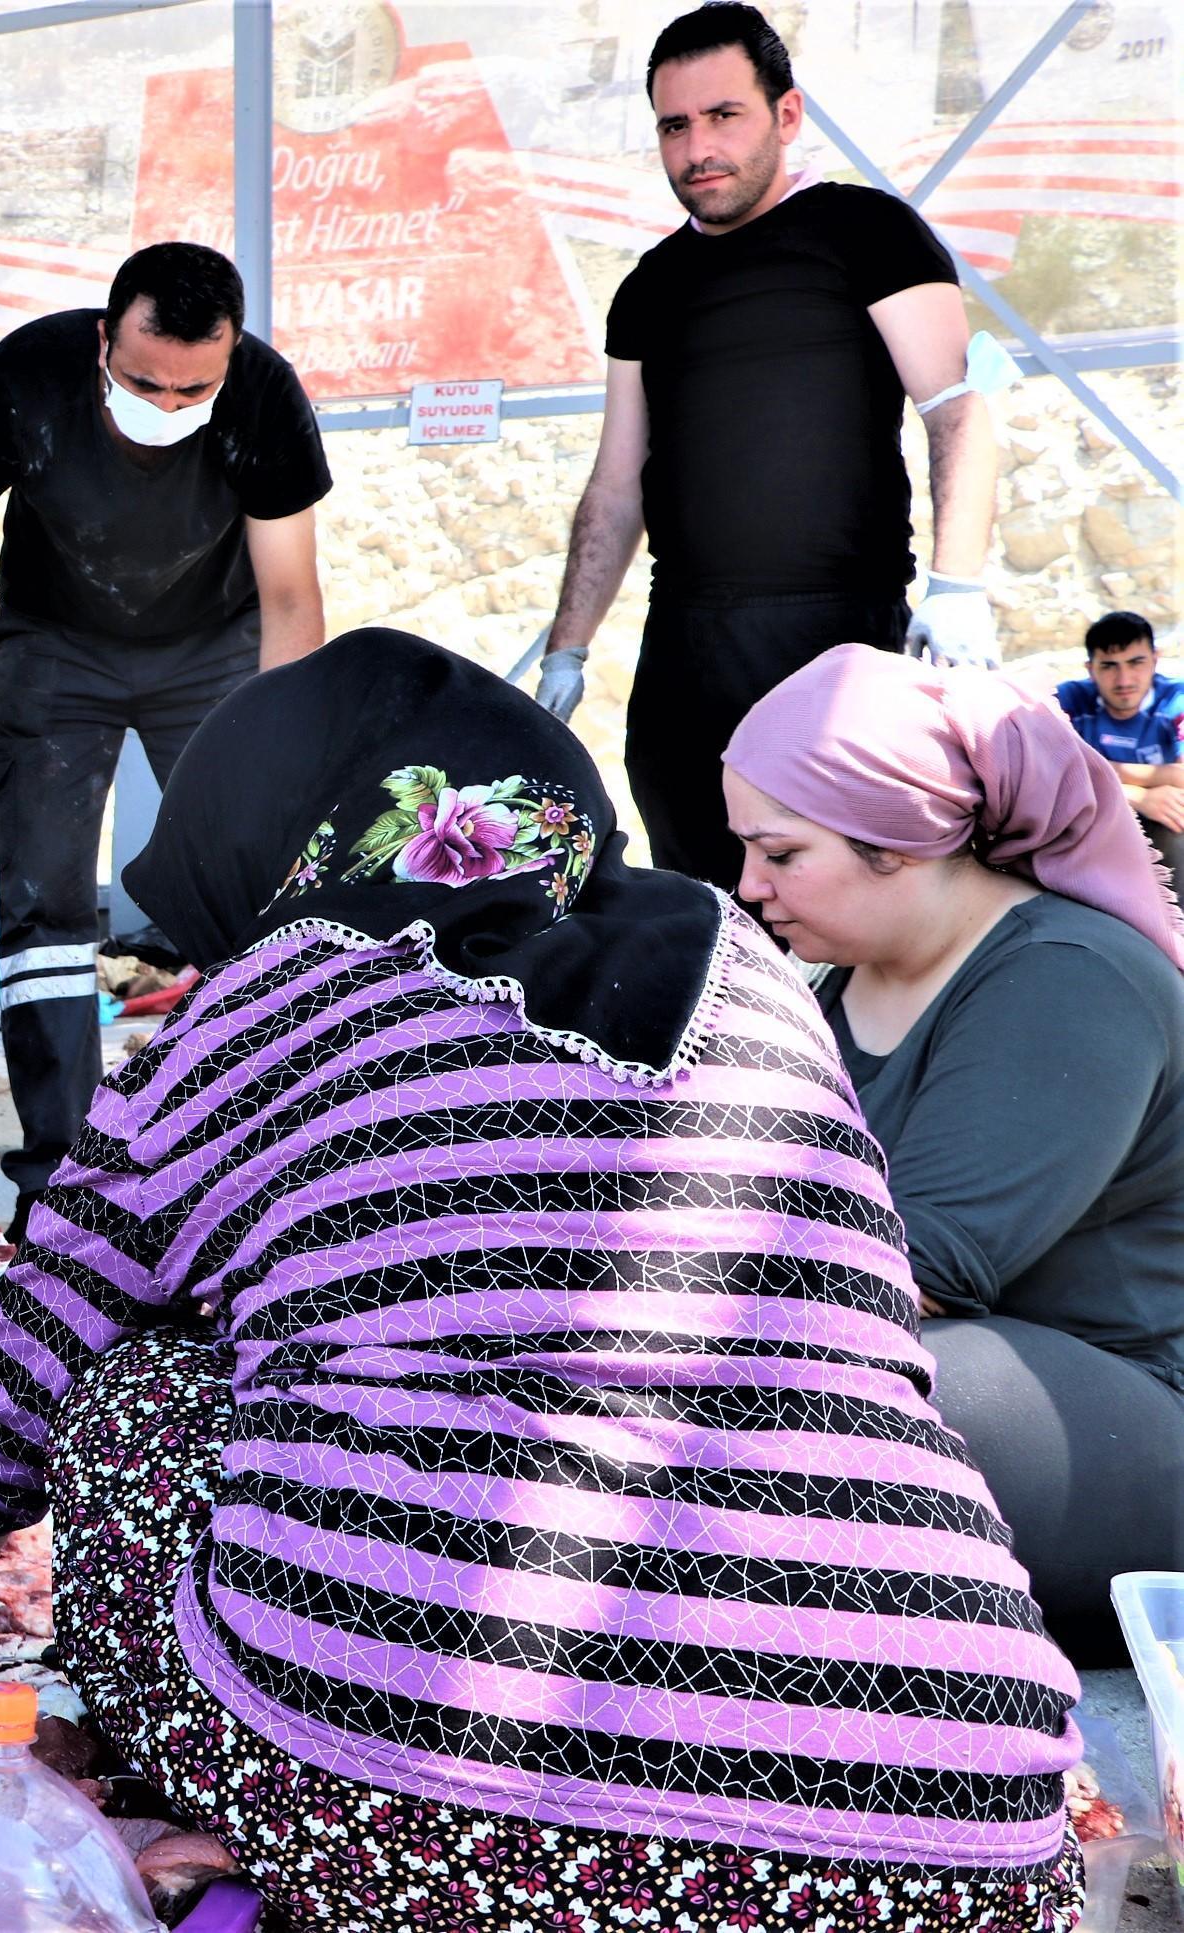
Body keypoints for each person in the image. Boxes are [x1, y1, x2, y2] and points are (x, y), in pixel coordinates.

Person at [0, 626, 1082, 1933]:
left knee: (134, 1393)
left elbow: (15, 1394)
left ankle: (367, 1845)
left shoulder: (255, 1011)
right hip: (970, 1821)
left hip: (456, 1810)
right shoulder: (759, 973)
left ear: (282, 838)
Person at [0, 240, 330, 1231]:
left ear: (229, 356)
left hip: (209, 652)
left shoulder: (264, 398)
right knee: (43, 913)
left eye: (191, 387)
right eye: (143, 380)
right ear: (103, 339)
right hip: (55, 653)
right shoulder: (26, 380)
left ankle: (252, 1170)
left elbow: (289, 596)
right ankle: (60, 1191)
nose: (165, 404)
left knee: (255, 899)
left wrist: (280, 765)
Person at [726, 642, 1184, 1661]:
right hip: (947, 1381)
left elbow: (913, 1268)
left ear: (897, 838)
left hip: (1124, 1427)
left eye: (780, 853)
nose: (746, 886)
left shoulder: (1067, 977)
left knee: (851, 1387)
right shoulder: (841, 989)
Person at [535, 3, 997, 891]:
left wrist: (960, 582)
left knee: (850, 910)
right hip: (684, 653)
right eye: (675, 126)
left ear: (785, 115)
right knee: (712, 908)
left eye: (723, 116)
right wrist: (569, 647)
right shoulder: (649, 286)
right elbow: (616, 486)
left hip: (836, 639)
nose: (698, 147)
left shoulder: (868, 233)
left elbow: (957, 410)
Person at [1057, 610, 1184, 875]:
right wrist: (1136, 795)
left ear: (1155, 660)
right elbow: (1046, 776)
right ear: (1090, 669)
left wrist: (1092, 770)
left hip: (1158, 821)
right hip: (1094, 821)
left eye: (1136, 662)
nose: (1124, 680)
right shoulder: (1069, 700)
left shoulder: (1176, 699)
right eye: (1109, 666)